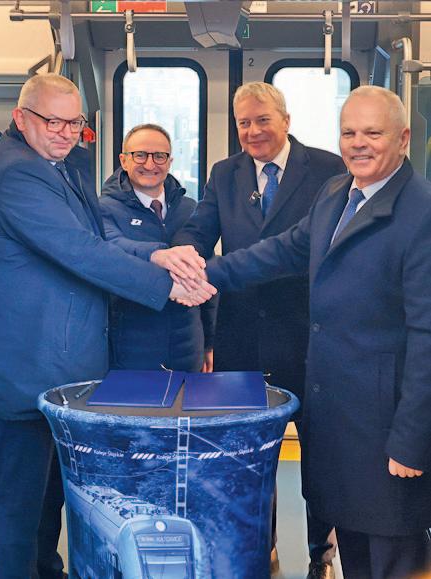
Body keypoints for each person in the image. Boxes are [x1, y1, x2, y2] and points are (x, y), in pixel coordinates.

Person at [0, 73, 214, 579]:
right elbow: (80, 252)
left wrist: (157, 255)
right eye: (52, 121)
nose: (64, 132)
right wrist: (167, 285)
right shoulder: (18, 175)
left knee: (48, 499)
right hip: (22, 371)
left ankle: (47, 571)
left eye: (73, 122)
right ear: (20, 119)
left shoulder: (59, 165)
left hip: (52, 370)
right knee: (18, 508)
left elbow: (96, 239)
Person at [206, 85, 431, 579]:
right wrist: (205, 274)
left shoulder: (421, 213)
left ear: (403, 138)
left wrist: (412, 439)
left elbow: (427, 338)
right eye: (349, 133)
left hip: (386, 428)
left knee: (393, 555)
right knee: (355, 549)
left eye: (373, 133)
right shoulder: (336, 194)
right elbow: (282, 250)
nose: (358, 144)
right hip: (340, 418)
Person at [173, 81, 346, 577]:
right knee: (248, 459)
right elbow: (199, 230)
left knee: (320, 459)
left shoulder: (329, 170)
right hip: (241, 339)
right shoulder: (224, 173)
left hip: (309, 337)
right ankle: (260, 551)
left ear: (285, 120)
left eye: (262, 120)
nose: (252, 131)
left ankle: (321, 555)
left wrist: (211, 273)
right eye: (243, 123)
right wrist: (183, 260)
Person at [100, 123, 216, 372]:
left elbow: (209, 273)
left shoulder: (190, 208)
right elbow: (113, 247)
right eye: (140, 155)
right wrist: (159, 255)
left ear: (170, 161)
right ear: (124, 160)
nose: (150, 164)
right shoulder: (104, 209)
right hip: (130, 349)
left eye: (159, 156)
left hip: (188, 347)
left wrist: (209, 342)